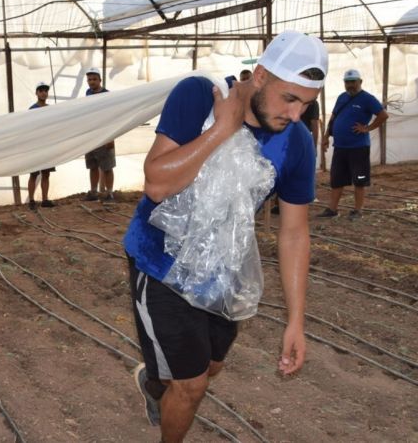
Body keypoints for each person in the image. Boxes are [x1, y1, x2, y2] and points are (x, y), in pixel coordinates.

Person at [124, 30, 326, 442]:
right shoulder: (200, 96)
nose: (295, 113)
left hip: (222, 269)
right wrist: (222, 129)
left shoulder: (298, 143)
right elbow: (157, 185)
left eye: (307, 104)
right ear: (263, 75)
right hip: (160, 261)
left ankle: (156, 384)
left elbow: (294, 232)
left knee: (210, 367)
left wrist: (295, 322)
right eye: (290, 98)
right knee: (193, 383)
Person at [319, 69, 388, 219]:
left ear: (360, 82)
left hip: (358, 147)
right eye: (347, 82)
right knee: (337, 179)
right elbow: (333, 118)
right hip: (340, 147)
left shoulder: (367, 99)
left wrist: (367, 128)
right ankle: (332, 209)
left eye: (353, 82)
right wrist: (326, 136)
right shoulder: (342, 97)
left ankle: (358, 211)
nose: (350, 85)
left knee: (359, 180)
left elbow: (383, 115)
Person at [82, 67, 116, 201]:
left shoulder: (107, 95)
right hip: (91, 136)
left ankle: (109, 193)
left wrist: (111, 137)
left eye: (94, 79)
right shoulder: (88, 93)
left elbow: (113, 116)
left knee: (107, 166)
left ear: (100, 80)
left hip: (104, 135)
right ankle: (94, 191)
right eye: (89, 79)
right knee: (93, 166)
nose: (92, 82)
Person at [27, 82, 56, 210]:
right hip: (35, 146)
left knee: (46, 174)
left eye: (45, 90)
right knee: (33, 174)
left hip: (48, 146)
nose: (44, 93)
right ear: (37, 93)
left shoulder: (51, 109)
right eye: (41, 90)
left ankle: (44, 199)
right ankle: (32, 200)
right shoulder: (32, 110)